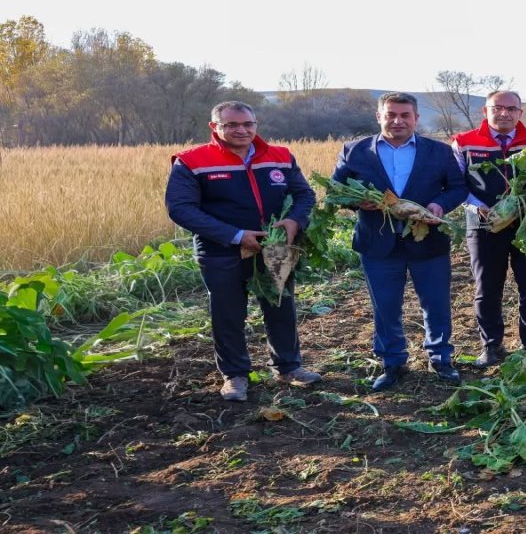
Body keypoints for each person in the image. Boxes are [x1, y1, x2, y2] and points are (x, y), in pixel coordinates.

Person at [165, 101, 322, 402]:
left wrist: (294, 221)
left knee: (280, 307)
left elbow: (303, 194)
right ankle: (235, 375)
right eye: (232, 125)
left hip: (276, 247)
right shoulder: (192, 161)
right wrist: (236, 236)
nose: (241, 130)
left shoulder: (280, 156)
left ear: (255, 125)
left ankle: (289, 367)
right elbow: (180, 208)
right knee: (227, 313)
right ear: (215, 127)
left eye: (248, 124)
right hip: (221, 250)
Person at [332, 91, 467, 389]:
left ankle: (441, 358)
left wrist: (438, 206)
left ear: (416, 118)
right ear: (379, 117)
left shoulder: (439, 151)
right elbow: (336, 190)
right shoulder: (354, 151)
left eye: (405, 115)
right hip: (378, 244)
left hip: (427, 240)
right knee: (385, 306)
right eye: (390, 115)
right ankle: (392, 362)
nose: (397, 121)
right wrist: (358, 203)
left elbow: (457, 187)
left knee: (436, 303)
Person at [452, 90, 526, 367]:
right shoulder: (464, 143)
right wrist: (477, 205)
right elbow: (456, 183)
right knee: (487, 287)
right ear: (485, 111)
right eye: (497, 108)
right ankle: (491, 346)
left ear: (520, 113)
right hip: (482, 224)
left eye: (511, 109)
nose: (504, 113)